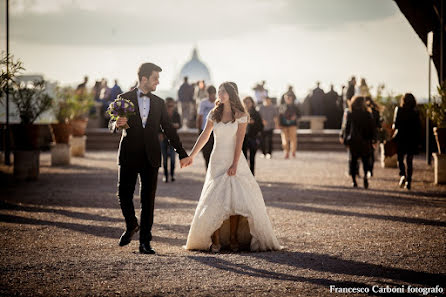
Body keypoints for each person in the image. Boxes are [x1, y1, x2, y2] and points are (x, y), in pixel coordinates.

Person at [183, 82, 282, 252]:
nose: (220, 94)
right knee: (214, 198)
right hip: (216, 160)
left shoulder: (241, 115)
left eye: (223, 92)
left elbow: (239, 143)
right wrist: (191, 155)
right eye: (219, 91)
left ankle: (234, 237)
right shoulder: (213, 114)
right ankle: (215, 239)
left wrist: (235, 164)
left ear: (231, 94)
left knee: (237, 199)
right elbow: (205, 135)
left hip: (234, 158)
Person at [109, 63, 191, 254]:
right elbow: (112, 123)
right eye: (155, 78)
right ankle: (131, 225)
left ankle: (145, 241)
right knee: (123, 195)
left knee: (148, 200)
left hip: (151, 156)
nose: (158, 81)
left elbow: (169, 129)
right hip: (129, 154)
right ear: (144, 79)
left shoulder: (159, 103)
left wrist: (182, 153)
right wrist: (116, 124)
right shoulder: (124, 99)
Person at [340, 96, 375, 189]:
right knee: (365, 160)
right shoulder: (367, 114)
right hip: (365, 141)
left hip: (353, 141)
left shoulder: (350, 113)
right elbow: (372, 128)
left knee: (353, 160)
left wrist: (344, 138)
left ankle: (354, 181)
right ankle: (365, 177)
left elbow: (346, 128)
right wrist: (373, 140)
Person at [392, 93, 421, 190]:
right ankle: (409, 181)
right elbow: (418, 128)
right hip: (412, 139)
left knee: (400, 158)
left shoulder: (399, 110)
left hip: (401, 138)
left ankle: (402, 174)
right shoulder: (415, 112)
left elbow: (395, 125)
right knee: (409, 161)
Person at [160, 97, 182, 183]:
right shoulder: (162, 114)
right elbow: (158, 125)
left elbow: (179, 125)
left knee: (173, 159)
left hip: (173, 140)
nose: (170, 107)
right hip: (164, 139)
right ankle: (165, 176)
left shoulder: (176, 114)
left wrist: (173, 125)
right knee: (165, 160)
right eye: (168, 105)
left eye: (171, 105)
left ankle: (172, 175)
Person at [196, 85, 217, 169]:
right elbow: (200, 116)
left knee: (215, 152)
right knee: (206, 152)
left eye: (213, 94)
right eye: (210, 94)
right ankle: (208, 169)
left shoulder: (218, 102)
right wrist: (199, 129)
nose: (211, 96)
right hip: (205, 129)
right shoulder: (203, 103)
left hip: (215, 130)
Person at [242, 96, 263, 175]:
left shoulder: (256, 113)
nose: (247, 104)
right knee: (243, 158)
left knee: (252, 158)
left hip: (253, 138)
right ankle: (244, 175)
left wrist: (253, 123)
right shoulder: (241, 113)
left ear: (252, 103)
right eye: (245, 102)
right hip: (243, 138)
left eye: (248, 102)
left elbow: (261, 126)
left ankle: (251, 175)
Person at [279, 92, 301, 159]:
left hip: (293, 125)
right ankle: (286, 152)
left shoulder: (295, 107)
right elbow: (279, 116)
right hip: (284, 125)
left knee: (293, 139)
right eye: (287, 98)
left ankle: (293, 151)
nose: (288, 99)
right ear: (285, 98)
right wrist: (279, 124)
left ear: (292, 98)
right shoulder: (282, 106)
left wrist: (295, 117)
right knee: (284, 140)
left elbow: (299, 115)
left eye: (289, 97)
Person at [365, 96, 381, 177]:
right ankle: (370, 170)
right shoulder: (376, 111)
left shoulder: (364, 111)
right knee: (371, 153)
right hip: (373, 135)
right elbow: (378, 125)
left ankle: (368, 169)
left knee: (367, 154)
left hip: (366, 135)